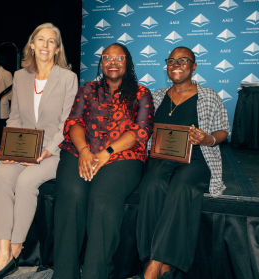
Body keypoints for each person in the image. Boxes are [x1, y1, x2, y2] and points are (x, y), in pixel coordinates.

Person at [0, 23, 78, 279]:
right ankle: (2, 254)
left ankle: (15, 248)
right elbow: (14, 118)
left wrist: (46, 150)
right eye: (40, 40)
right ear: (31, 45)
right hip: (22, 148)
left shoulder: (68, 78)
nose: (45, 45)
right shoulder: (20, 76)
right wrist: (7, 145)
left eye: (51, 41)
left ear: (57, 49)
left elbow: (67, 123)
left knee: (25, 182)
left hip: (54, 152)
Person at [53, 43, 155, 279]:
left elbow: (141, 131)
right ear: (101, 62)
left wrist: (106, 152)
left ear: (127, 63)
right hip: (79, 151)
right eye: (107, 58)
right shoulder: (88, 88)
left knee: (102, 198)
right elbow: (74, 122)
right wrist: (85, 151)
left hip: (122, 156)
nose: (113, 62)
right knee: (72, 197)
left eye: (119, 58)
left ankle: (94, 274)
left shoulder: (141, 93)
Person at [135, 47, 231, 279]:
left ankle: (154, 263)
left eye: (183, 60)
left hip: (197, 159)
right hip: (161, 158)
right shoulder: (156, 96)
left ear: (194, 66)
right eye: (171, 61)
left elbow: (223, 131)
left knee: (181, 187)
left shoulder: (209, 95)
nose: (176, 64)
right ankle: (162, 264)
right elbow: (143, 130)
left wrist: (207, 139)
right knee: (151, 185)